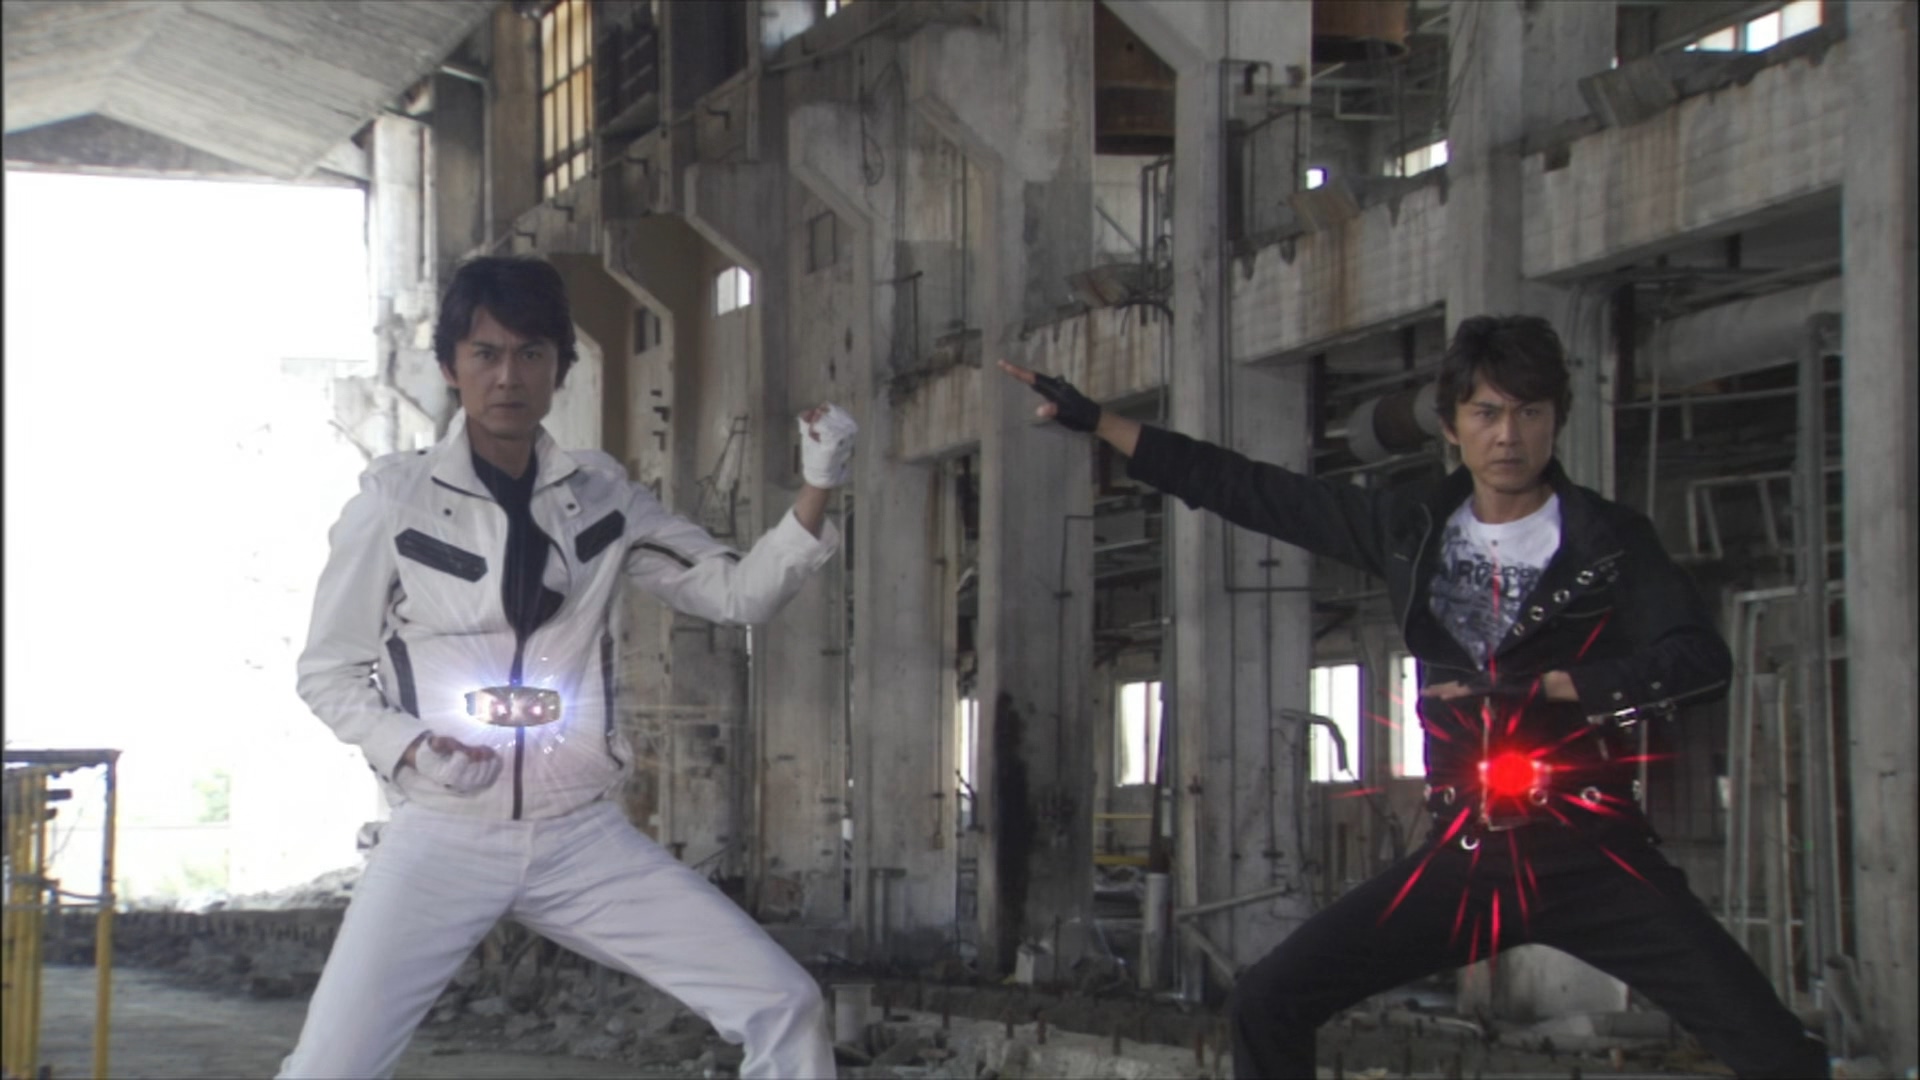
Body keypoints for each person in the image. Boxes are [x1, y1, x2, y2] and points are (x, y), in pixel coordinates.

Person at [999, 314, 1828, 1079]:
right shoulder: (1411, 530)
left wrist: (1556, 686)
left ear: (1556, 420)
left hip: (1594, 854)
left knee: (1782, 1058)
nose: (1508, 435)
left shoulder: (1609, 541)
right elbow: (1250, 489)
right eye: (1487, 413)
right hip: (1465, 853)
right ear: (1452, 425)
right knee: (1266, 1002)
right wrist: (1101, 423)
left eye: (1530, 413)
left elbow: (1701, 662)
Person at [283, 256, 855, 1079]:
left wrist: (818, 485)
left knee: (785, 1002)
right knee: (327, 1070)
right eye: (485, 354)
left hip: (578, 835)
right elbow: (328, 674)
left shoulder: (603, 498)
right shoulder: (393, 503)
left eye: (531, 353)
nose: (507, 376)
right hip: (444, 833)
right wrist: (411, 746)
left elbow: (738, 593)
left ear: (559, 368)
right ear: (451, 367)